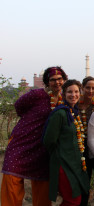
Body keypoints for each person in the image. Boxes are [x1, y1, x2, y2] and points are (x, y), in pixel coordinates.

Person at [1, 66, 67, 206]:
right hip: (21, 143)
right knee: (11, 182)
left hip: (42, 148)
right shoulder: (37, 95)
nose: (57, 82)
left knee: (42, 187)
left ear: (64, 79)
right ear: (47, 82)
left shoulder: (65, 99)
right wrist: (29, 122)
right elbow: (19, 106)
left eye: (60, 79)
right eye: (53, 80)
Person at [43, 79, 90, 205]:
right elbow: (49, 140)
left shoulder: (73, 113)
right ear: (63, 94)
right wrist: (60, 154)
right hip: (63, 165)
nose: (73, 95)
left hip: (73, 164)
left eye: (76, 92)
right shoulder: (60, 114)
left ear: (79, 94)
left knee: (74, 199)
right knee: (72, 200)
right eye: (69, 92)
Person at [78, 76, 94, 206]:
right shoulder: (75, 103)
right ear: (82, 88)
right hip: (78, 148)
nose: (90, 91)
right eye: (88, 87)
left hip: (92, 148)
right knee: (82, 181)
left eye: (93, 88)